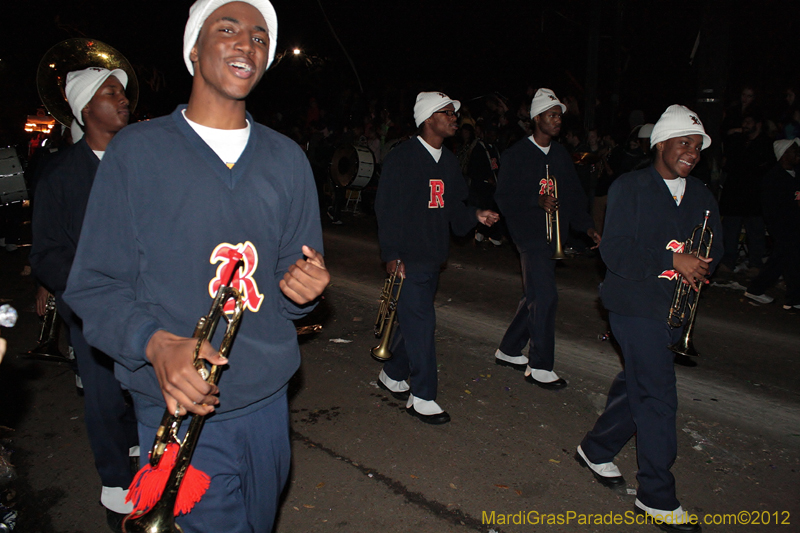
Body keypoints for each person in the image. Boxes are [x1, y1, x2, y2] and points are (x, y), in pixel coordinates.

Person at [63, 1, 330, 531]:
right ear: (193, 47)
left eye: (259, 37)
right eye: (226, 29)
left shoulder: (287, 158)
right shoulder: (136, 152)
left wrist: (305, 293)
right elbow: (93, 285)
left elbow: (289, 289)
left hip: (268, 404)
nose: (245, 44)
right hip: (177, 409)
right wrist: (154, 342)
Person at [576, 105, 722, 532]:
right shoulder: (631, 186)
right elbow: (615, 251)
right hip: (633, 305)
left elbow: (718, 248)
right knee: (658, 397)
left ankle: (596, 448)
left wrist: (704, 264)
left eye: (697, 146)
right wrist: (674, 258)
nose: (691, 153)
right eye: (683, 143)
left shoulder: (702, 195)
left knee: (637, 384)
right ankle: (655, 495)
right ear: (660, 143)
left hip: (672, 308)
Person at [29, 65, 138, 531]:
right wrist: (89, 292)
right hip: (95, 312)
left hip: (149, 303)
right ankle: (116, 488)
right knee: (104, 399)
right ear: (86, 108)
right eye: (112, 92)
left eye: (123, 91)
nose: (124, 98)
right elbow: (48, 254)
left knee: (150, 389)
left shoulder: (143, 161)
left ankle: (148, 465)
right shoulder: (61, 175)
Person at [374, 91, 499, 425]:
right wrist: (392, 254)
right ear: (429, 118)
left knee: (415, 323)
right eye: (447, 113)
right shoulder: (403, 157)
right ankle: (423, 395)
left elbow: (455, 212)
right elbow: (386, 208)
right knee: (423, 324)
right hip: (408, 259)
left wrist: (477, 215)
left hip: (433, 258)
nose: (454, 118)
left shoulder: (447, 161)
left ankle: (393, 373)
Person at [493, 88, 601, 389]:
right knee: (547, 296)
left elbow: (574, 198)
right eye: (552, 115)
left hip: (553, 235)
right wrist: (535, 200)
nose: (557, 121)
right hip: (529, 235)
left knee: (536, 296)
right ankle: (539, 365)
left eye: (559, 116)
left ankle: (509, 349)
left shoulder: (561, 155)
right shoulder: (516, 154)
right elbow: (503, 197)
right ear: (536, 118)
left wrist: (588, 227)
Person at [744, 138, 800, 310]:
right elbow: (774, 206)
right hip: (784, 225)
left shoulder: (795, 174)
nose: (797, 155)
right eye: (793, 151)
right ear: (783, 155)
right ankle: (760, 289)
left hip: (793, 225)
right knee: (786, 258)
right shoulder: (774, 177)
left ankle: (792, 298)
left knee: (786, 259)